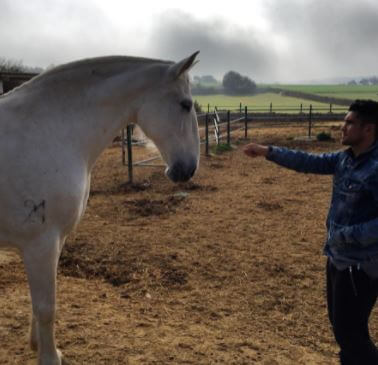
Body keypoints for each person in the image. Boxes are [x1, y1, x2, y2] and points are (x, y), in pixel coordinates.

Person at [244, 99, 378, 365]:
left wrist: (346, 235)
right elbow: (307, 161)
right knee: (345, 330)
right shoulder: (344, 160)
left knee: (350, 335)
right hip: (338, 259)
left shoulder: (375, 169)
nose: (343, 127)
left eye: (350, 123)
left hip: (361, 265)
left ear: (368, 130)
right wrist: (268, 151)